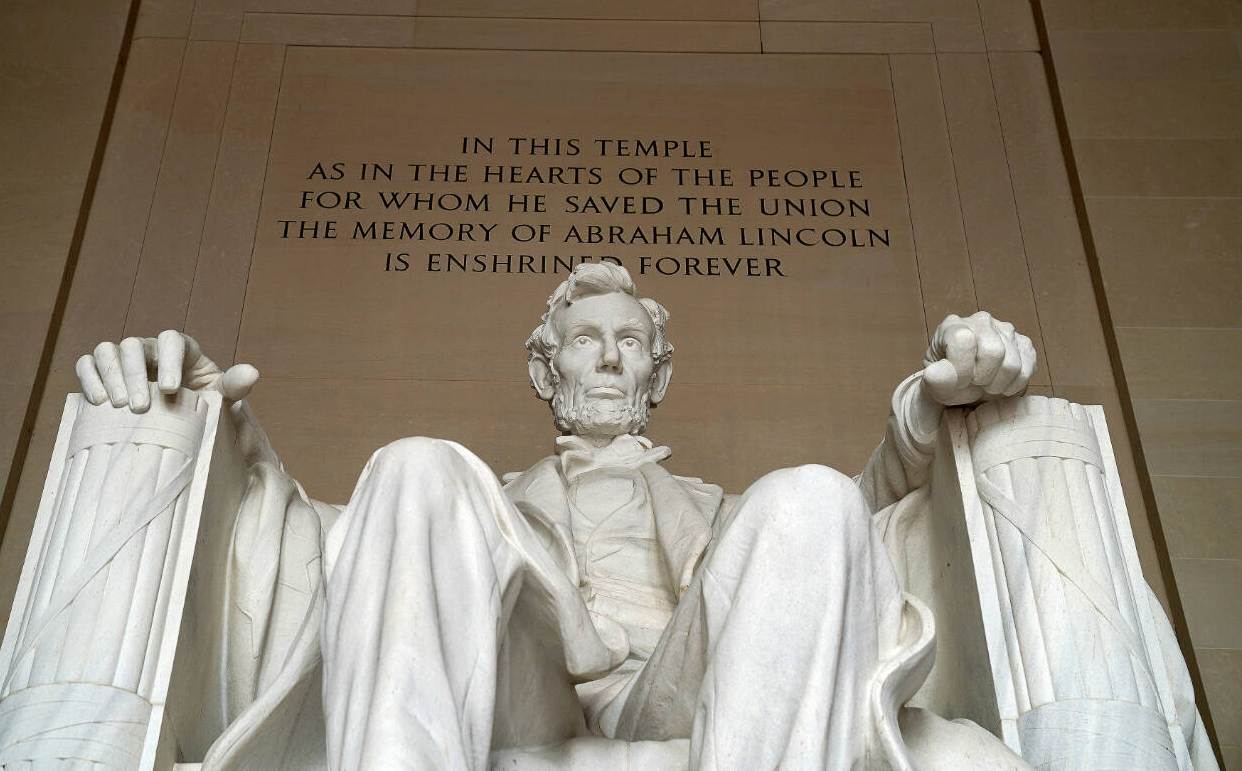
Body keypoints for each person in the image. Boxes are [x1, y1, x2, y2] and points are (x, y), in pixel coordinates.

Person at [77, 262, 1035, 770]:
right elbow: (307, 543)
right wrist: (212, 425)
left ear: (657, 375)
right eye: (587, 341)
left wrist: (929, 408)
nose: (610, 359)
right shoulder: (474, 508)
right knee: (415, 464)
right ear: (550, 369)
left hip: (682, 683)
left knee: (814, 494)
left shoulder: (717, 510)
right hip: (528, 677)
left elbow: (861, 525)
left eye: (629, 344)